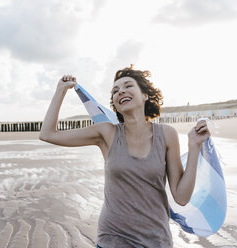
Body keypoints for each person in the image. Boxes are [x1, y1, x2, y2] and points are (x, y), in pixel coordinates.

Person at [39, 65, 210, 248]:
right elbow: (48, 134)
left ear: (145, 95)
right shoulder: (107, 132)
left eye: (128, 86)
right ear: (115, 105)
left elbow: (181, 197)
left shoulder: (167, 135)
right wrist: (61, 90)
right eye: (115, 91)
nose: (120, 92)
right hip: (112, 239)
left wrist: (195, 146)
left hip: (156, 240)